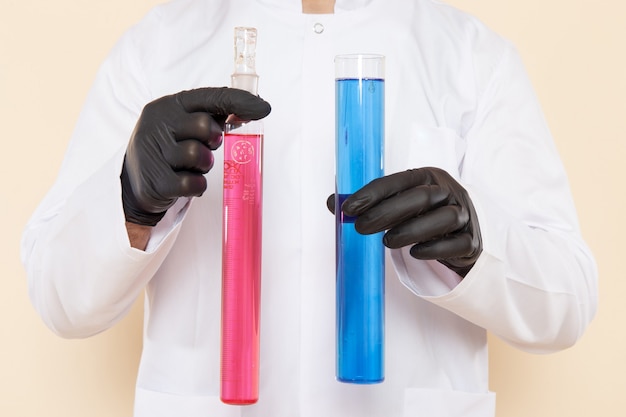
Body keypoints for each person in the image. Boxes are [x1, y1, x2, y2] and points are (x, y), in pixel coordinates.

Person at [21, 0, 598, 416]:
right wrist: (130, 197)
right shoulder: (158, 46)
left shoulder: (470, 55)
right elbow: (61, 298)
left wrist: (480, 243)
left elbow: (567, 301)